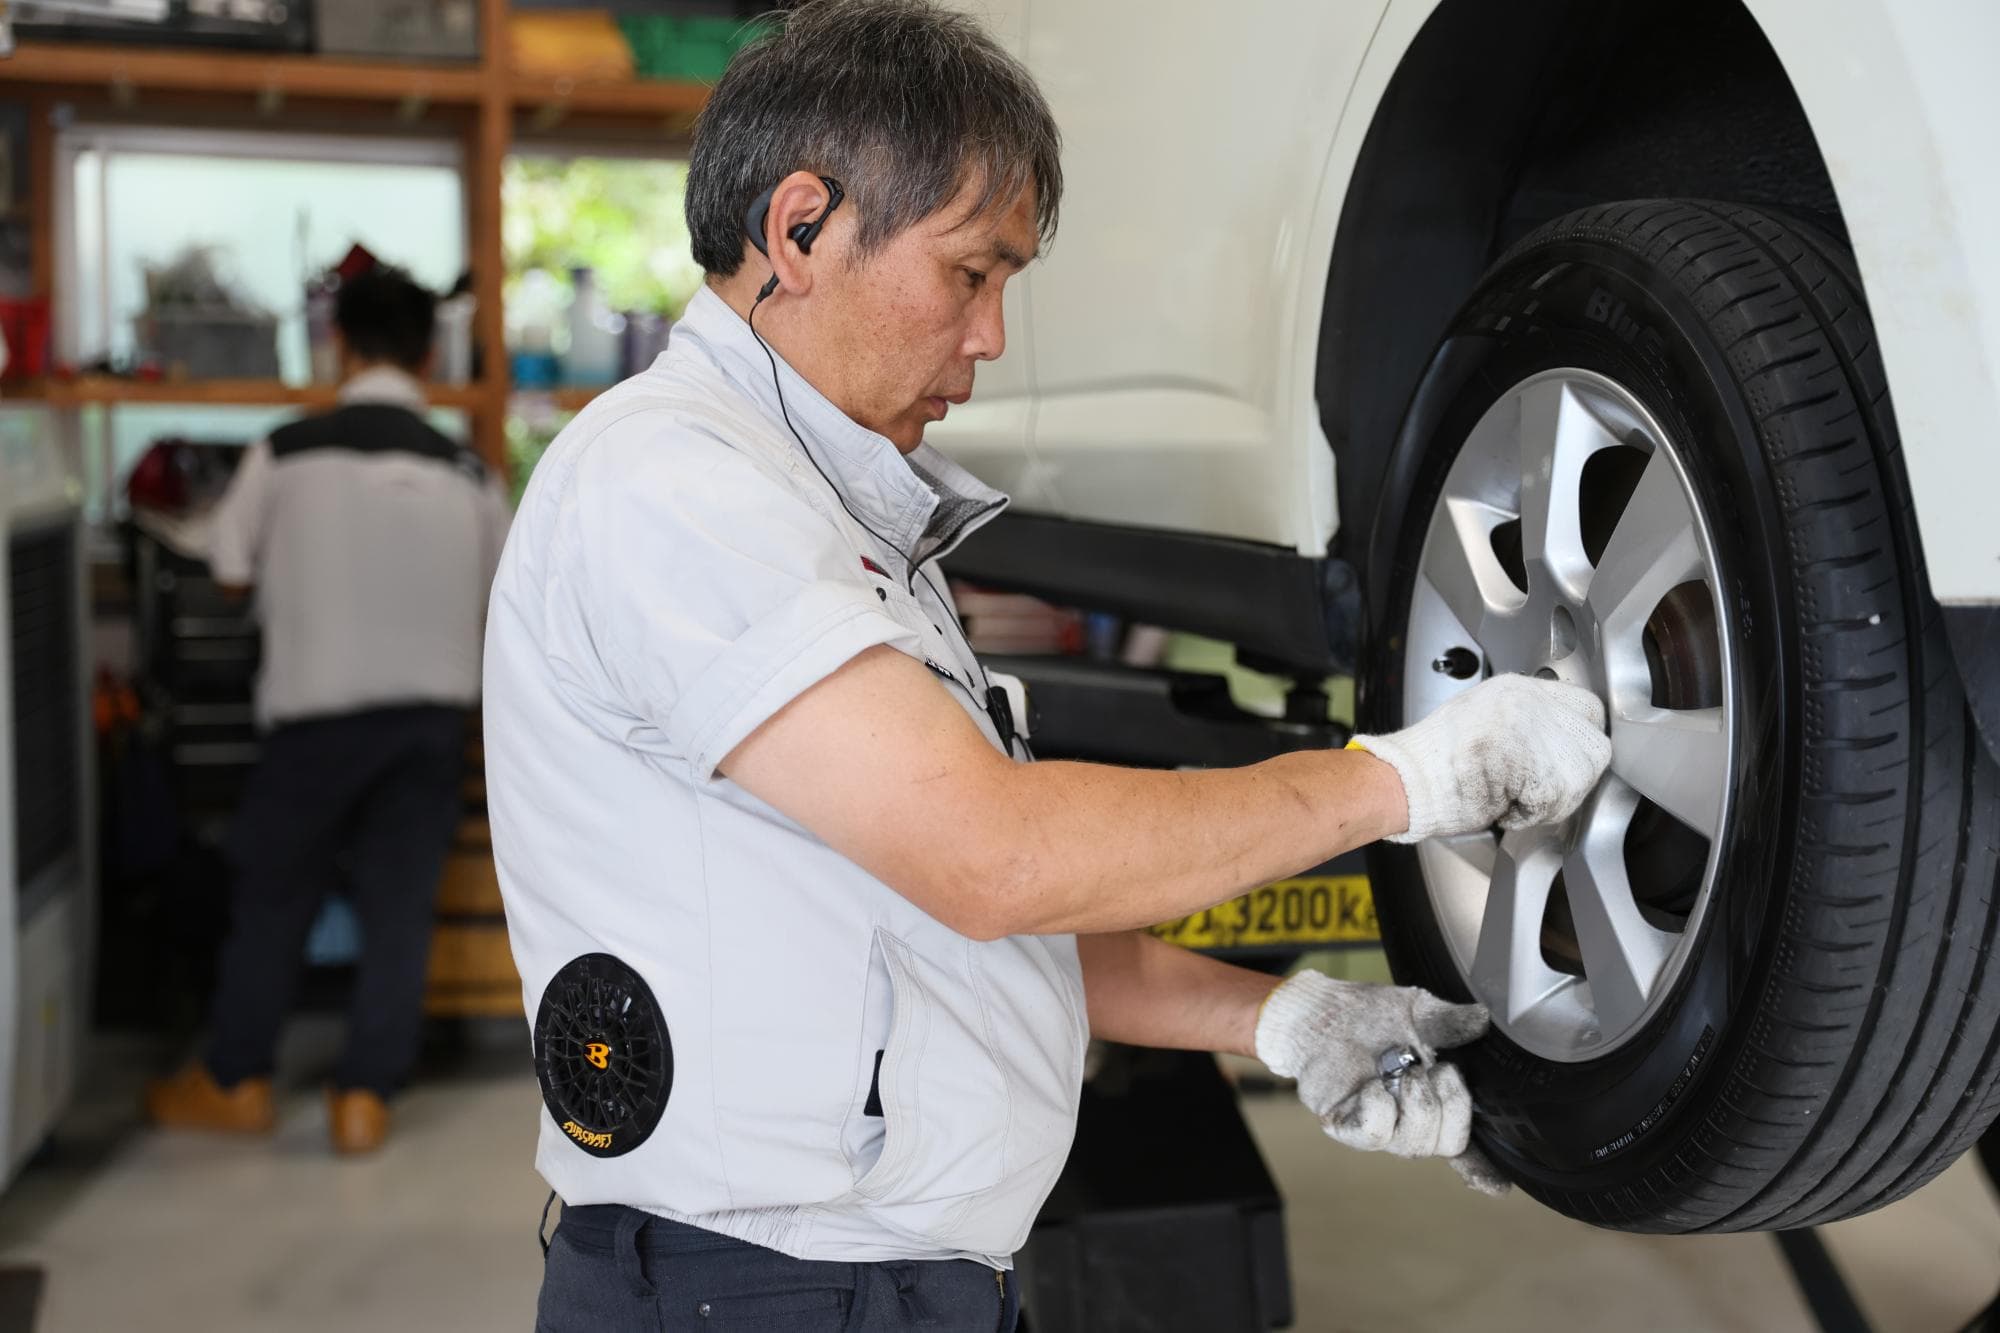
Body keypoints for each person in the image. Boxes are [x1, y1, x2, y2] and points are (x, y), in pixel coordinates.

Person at [482, 2, 1612, 1327]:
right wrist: (1405, 780)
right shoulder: (673, 487)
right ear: (798, 229)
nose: (992, 338)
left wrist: (1282, 1021)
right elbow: (996, 856)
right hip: (764, 1291)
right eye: (970, 272)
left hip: (880, 1282)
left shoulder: (817, 508)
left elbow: (964, 923)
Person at [146, 265, 512, 1155]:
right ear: (430, 353)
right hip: (431, 724)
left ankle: (237, 1079)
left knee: (273, 898)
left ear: (338, 345)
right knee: (398, 907)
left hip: (313, 723)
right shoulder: (469, 471)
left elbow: (228, 573)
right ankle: (363, 1098)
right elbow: (504, 600)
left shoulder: (284, 451)